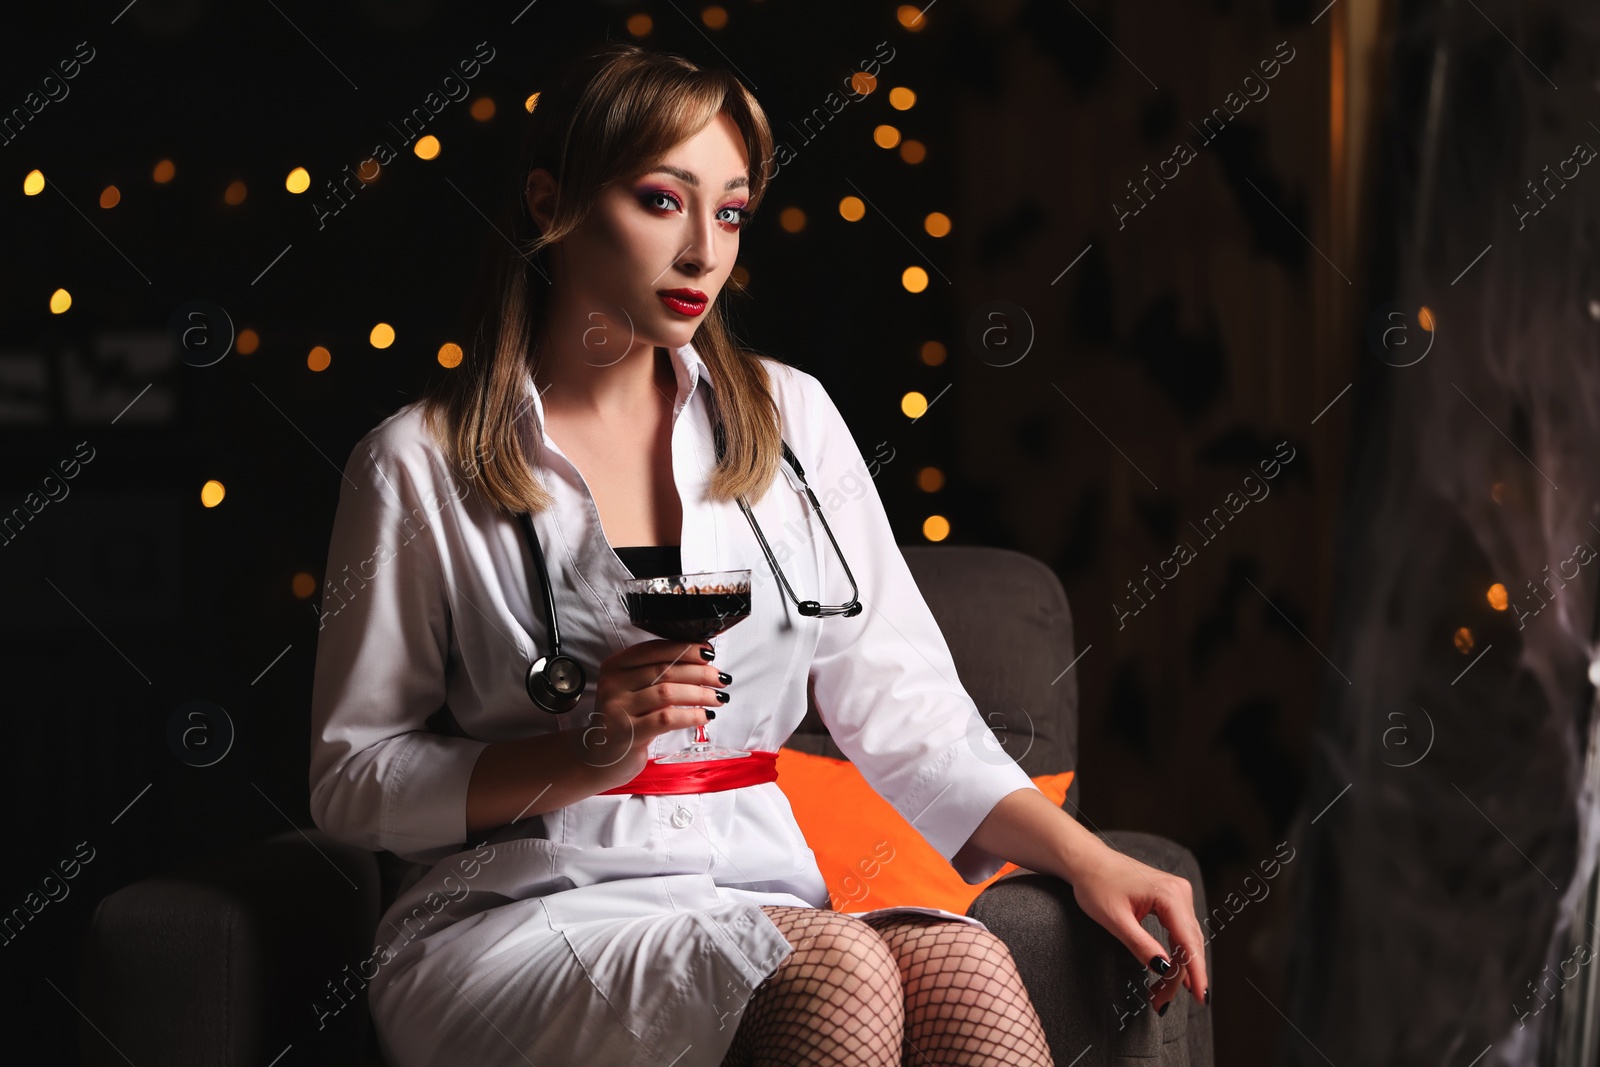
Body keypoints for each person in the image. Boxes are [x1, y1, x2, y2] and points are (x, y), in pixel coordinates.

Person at [308, 41, 1208, 1067]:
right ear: (549, 200)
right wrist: (581, 752)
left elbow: (908, 712)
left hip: (759, 891)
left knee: (967, 967)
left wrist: (1089, 858)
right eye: (662, 200)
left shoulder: (790, 421)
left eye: (730, 211)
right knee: (839, 970)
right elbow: (352, 778)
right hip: (524, 915)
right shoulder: (416, 464)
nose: (703, 251)